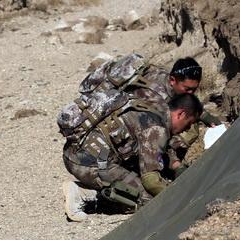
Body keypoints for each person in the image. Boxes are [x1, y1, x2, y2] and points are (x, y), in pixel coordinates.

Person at [63, 92, 203, 220]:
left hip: (75, 152)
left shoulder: (155, 105)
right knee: (148, 199)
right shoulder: (157, 128)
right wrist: (179, 197)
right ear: (181, 114)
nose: (187, 129)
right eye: (189, 123)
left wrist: (177, 167)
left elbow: (160, 148)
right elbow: (151, 181)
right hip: (88, 163)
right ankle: (86, 195)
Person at [128, 57, 223, 161]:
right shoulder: (156, 101)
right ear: (172, 80)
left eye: (194, 89)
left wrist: (204, 116)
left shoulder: (174, 81)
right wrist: (174, 161)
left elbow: (186, 102)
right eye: (187, 89)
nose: (190, 93)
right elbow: (158, 136)